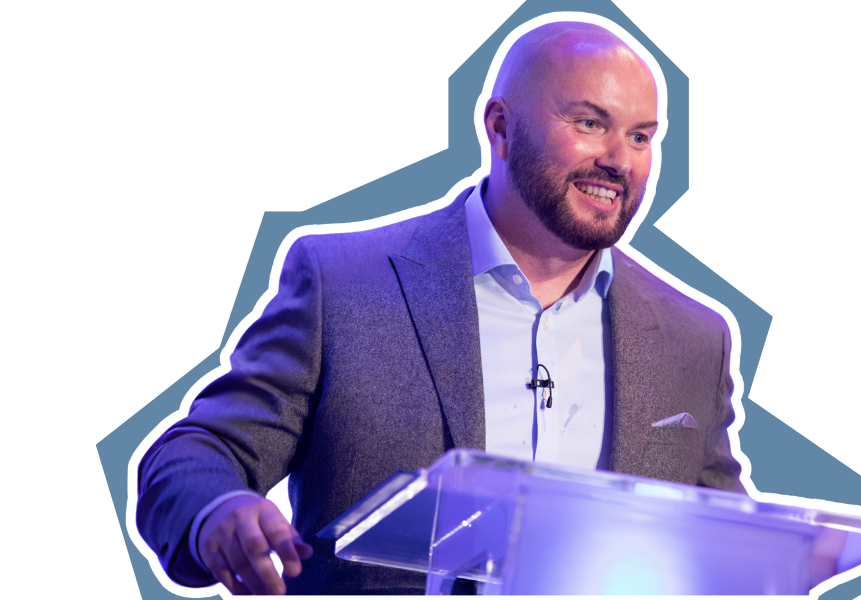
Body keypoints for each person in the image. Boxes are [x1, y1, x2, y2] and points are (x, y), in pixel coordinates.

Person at [137, 21, 745, 595]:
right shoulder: (342, 284)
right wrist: (219, 511)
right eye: (590, 123)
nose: (621, 158)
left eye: (642, 135)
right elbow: (196, 454)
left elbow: (730, 541)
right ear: (500, 129)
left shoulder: (695, 336)